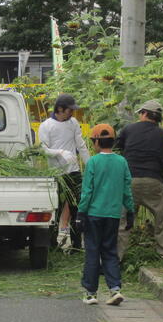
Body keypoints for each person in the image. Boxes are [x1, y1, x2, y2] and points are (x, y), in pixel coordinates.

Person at [76, 124, 134, 306]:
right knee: (110, 251)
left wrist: (80, 213)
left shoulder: (93, 162)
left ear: (96, 142)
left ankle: (90, 293)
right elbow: (127, 189)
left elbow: (87, 191)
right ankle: (115, 289)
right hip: (113, 215)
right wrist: (130, 211)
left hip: (94, 214)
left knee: (93, 252)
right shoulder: (122, 162)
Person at [115, 100, 163, 262]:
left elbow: (118, 147)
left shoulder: (129, 129)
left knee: (123, 221)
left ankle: (114, 258)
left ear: (144, 114)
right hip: (153, 180)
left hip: (130, 181)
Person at [38, 94, 90, 250]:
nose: (72, 113)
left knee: (76, 207)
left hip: (73, 171)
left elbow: (81, 145)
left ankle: (76, 245)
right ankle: (52, 244)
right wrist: (60, 152)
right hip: (56, 173)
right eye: (69, 110)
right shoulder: (46, 126)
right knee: (56, 207)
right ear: (60, 109)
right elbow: (43, 149)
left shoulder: (73, 123)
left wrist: (90, 165)